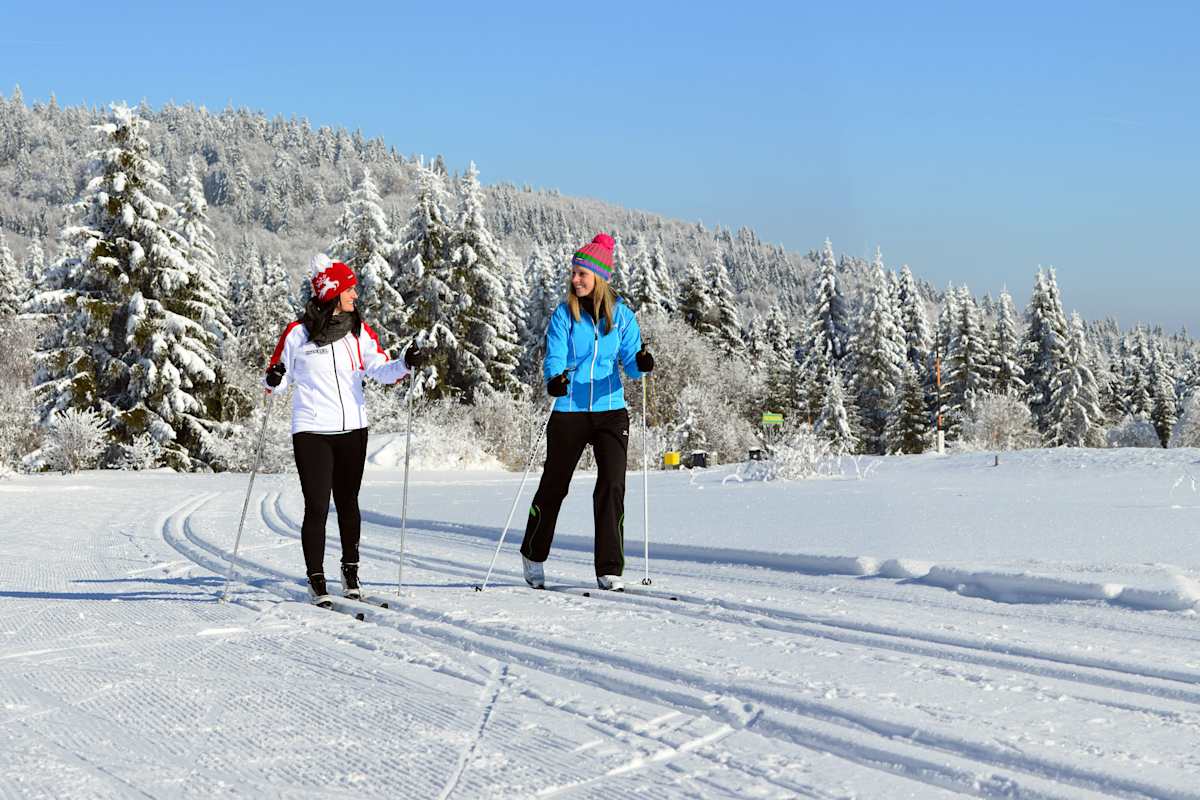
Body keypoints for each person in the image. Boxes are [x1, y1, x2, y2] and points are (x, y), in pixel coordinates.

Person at [264, 254, 427, 606]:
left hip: (353, 428)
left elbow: (380, 369)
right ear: (333, 292)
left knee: (349, 503)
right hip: (311, 430)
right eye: (350, 289)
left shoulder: (358, 331)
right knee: (318, 505)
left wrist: (404, 364)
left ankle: (350, 572)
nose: (355, 295)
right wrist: (274, 378)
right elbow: (276, 379)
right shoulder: (297, 334)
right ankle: (316, 578)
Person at [519, 233, 654, 591]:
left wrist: (641, 363)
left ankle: (609, 568)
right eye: (574, 273)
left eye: (582, 274)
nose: (576, 280)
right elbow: (555, 357)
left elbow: (631, 362)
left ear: (600, 278)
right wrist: (554, 380)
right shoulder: (564, 315)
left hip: (611, 409)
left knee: (611, 485)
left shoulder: (622, 317)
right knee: (555, 484)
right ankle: (533, 553)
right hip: (570, 409)